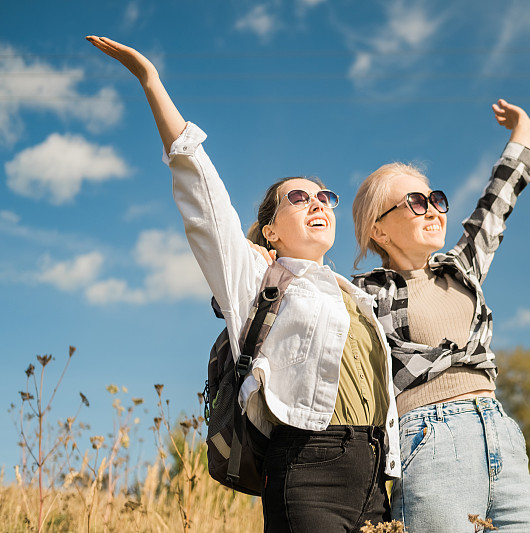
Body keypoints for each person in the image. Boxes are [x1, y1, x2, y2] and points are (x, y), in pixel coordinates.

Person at [86, 36, 400, 533]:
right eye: (299, 197)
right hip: (306, 470)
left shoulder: (357, 297)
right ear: (271, 230)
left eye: (325, 196)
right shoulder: (255, 279)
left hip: (374, 480)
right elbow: (203, 200)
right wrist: (152, 82)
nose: (318, 203)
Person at [351, 99, 530, 532]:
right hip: (430, 443)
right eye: (416, 202)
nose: (435, 209)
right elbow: (294, 291)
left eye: (435, 199)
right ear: (379, 230)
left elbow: (495, 204)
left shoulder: (461, 268)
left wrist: (523, 133)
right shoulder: (362, 294)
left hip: (499, 432)